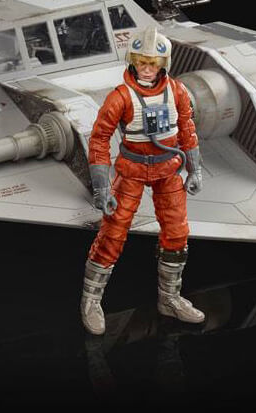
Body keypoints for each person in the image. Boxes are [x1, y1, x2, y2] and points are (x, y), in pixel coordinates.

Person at [80, 26, 205, 335]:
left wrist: (195, 169)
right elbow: (99, 139)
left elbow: (187, 128)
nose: (147, 69)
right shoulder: (120, 97)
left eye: (153, 63)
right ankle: (91, 301)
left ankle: (170, 299)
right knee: (113, 233)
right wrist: (102, 187)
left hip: (168, 170)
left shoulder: (176, 91)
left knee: (177, 233)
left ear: (164, 64)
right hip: (132, 170)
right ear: (132, 61)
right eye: (141, 62)